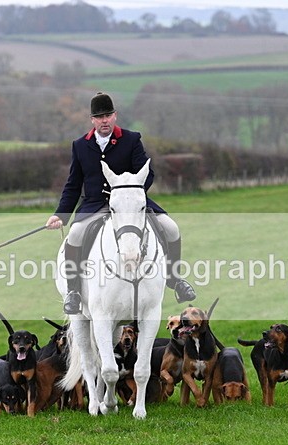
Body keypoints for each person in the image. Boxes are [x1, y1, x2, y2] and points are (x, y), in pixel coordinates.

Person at [45, 92, 196, 314]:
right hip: (95, 204)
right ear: (92, 120)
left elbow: (148, 173)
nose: (104, 120)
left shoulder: (131, 139)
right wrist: (61, 215)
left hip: (130, 203)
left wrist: (131, 195)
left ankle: (175, 280)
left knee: (171, 228)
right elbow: (73, 184)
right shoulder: (80, 145)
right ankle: (74, 291)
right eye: (99, 116)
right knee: (76, 234)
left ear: (115, 116)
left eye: (108, 115)